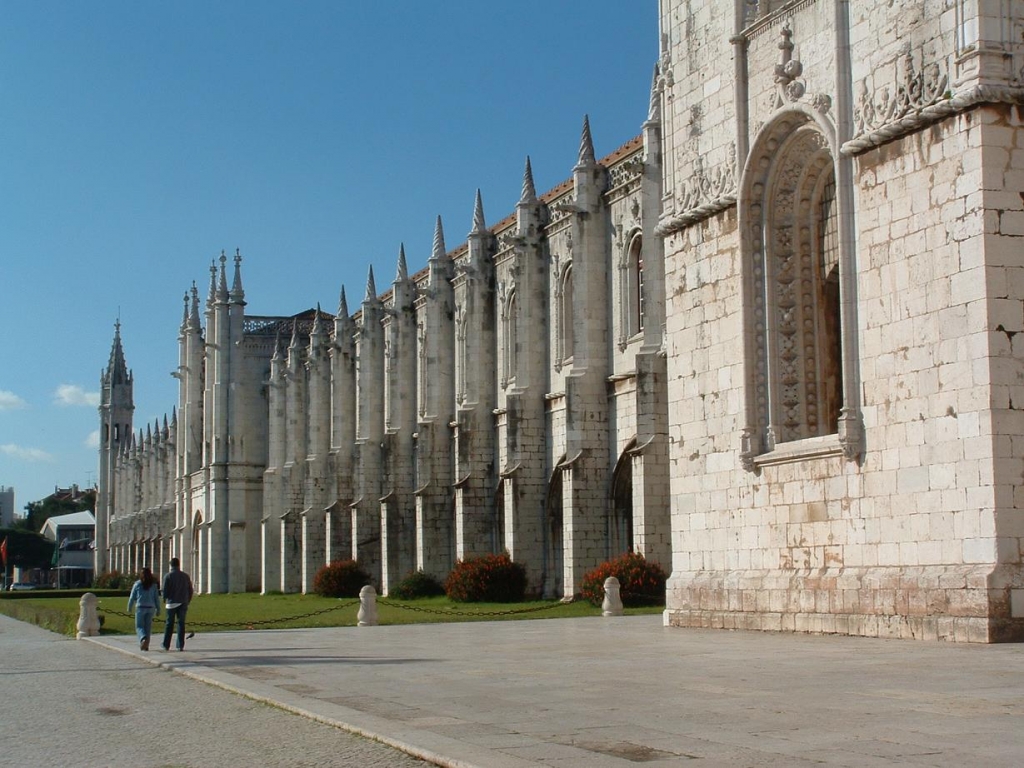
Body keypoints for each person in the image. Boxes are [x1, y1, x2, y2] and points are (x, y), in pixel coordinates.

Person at [162, 557, 194, 651]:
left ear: (171, 565)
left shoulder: (168, 576)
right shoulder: (185, 576)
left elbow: (165, 591)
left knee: (169, 624)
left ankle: (166, 644)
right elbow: (190, 589)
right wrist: (188, 600)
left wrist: (164, 598)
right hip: (183, 602)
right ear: (179, 564)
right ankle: (180, 645)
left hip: (171, 602)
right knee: (181, 624)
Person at [126, 567, 160, 651]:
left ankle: (143, 638)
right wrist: (158, 609)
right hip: (151, 607)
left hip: (140, 607)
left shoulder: (137, 584)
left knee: (139, 626)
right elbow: (156, 598)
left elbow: (132, 597)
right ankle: (146, 645)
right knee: (148, 627)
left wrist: (129, 607)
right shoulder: (153, 585)